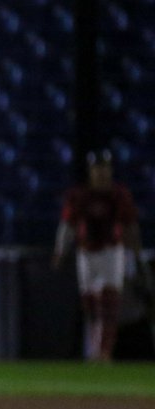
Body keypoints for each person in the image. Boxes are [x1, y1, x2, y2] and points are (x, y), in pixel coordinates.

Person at [52, 149, 148, 361]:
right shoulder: (79, 195)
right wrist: (60, 250)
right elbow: (68, 225)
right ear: (90, 171)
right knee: (90, 305)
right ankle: (94, 350)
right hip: (86, 253)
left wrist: (136, 252)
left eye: (104, 168)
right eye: (97, 168)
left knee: (109, 302)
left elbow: (130, 225)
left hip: (111, 251)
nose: (101, 173)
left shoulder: (118, 194)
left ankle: (104, 353)